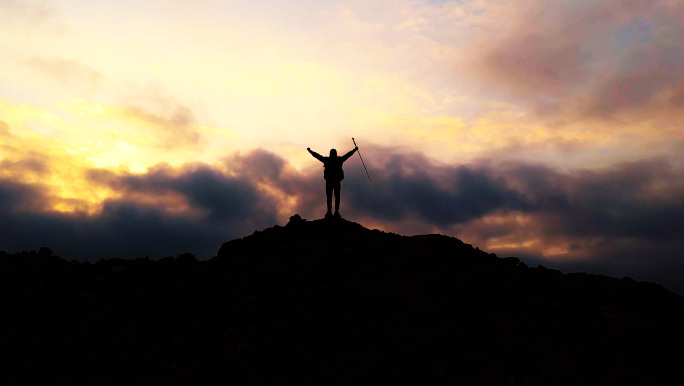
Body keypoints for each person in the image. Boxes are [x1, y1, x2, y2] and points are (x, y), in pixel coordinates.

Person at [307, 146, 358, 218]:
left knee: (329, 197)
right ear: (335, 154)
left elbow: (317, 156)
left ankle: (330, 212)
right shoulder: (339, 160)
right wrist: (354, 150)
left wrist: (310, 151)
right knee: (336, 197)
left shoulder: (327, 160)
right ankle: (335, 212)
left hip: (329, 181)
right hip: (336, 181)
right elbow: (348, 155)